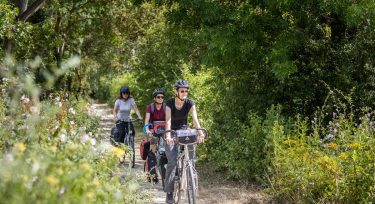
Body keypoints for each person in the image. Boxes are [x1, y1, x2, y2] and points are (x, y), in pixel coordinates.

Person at [164, 80, 205, 203]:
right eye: (182, 91)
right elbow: (168, 121)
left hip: (184, 133)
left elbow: (195, 119)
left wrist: (200, 132)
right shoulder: (169, 104)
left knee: (191, 159)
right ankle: (169, 192)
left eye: (186, 91)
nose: (184, 93)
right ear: (176, 92)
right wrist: (168, 136)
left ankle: (191, 177)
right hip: (172, 133)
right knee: (172, 161)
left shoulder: (190, 103)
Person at [144, 88, 167, 184]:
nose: (161, 98)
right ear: (154, 98)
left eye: (162, 97)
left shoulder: (166, 107)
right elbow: (147, 120)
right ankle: (152, 173)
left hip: (165, 130)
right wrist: (147, 130)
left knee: (167, 150)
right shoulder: (150, 107)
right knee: (152, 151)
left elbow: (169, 120)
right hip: (153, 131)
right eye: (158, 97)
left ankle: (166, 173)